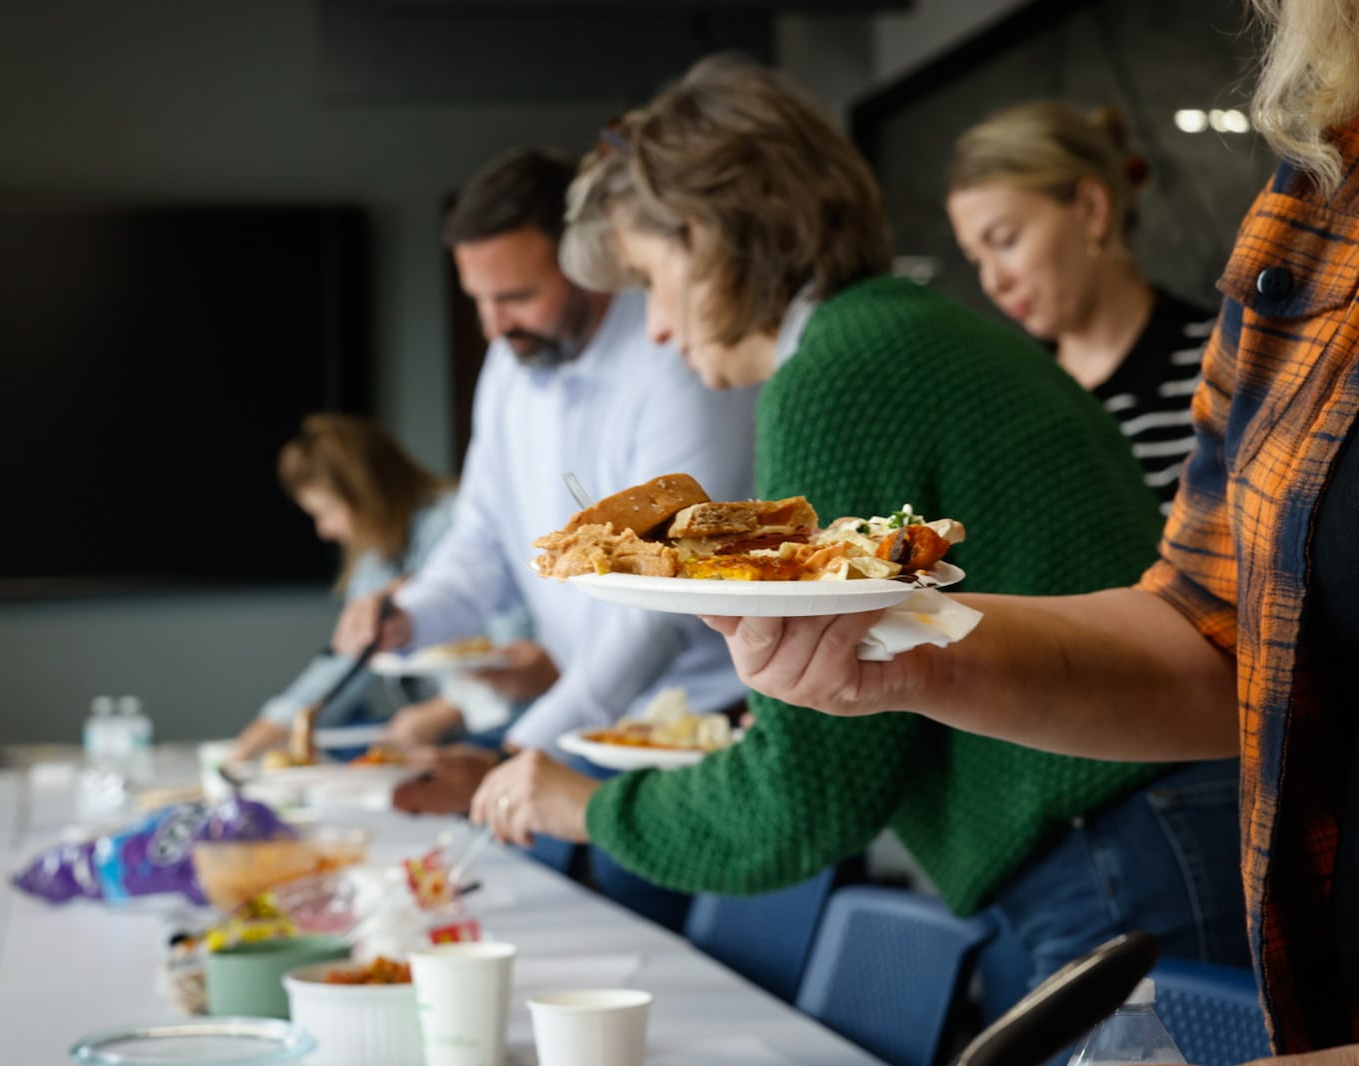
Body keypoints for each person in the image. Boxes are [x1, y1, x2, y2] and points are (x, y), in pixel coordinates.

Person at [467, 55, 1250, 997]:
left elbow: (808, 794)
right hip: (1147, 827)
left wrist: (585, 807)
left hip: (1121, 846)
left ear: (716, 238)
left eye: (650, 280)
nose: (660, 330)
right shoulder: (897, 330)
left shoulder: (835, 373)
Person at [700, 0, 1359, 1054]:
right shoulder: (1307, 221)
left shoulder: (852, 365)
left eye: (1004, 238)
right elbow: (1212, 631)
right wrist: (907, 650)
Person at [335, 147, 759, 927]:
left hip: (693, 738)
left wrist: (516, 750)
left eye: (518, 295)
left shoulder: (674, 360)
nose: (496, 326)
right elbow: (482, 544)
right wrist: (411, 616)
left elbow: (664, 604)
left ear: (588, 261)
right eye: (479, 300)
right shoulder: (508, 365)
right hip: (576, 726)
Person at [946, 101, 1214, 512]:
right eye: (977, 259)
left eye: (1004, 241)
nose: (993, 282)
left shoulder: (1227, 366)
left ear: (1092, 209)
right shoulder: (1013, 398)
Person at [229, 412, 460, 762]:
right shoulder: (377, 557)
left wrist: (446, 712)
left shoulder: (458, 525)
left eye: (328, 512)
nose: (324, 531)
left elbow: (517, 646)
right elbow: (345, 662)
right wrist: (259, 737)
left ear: (368, 493)